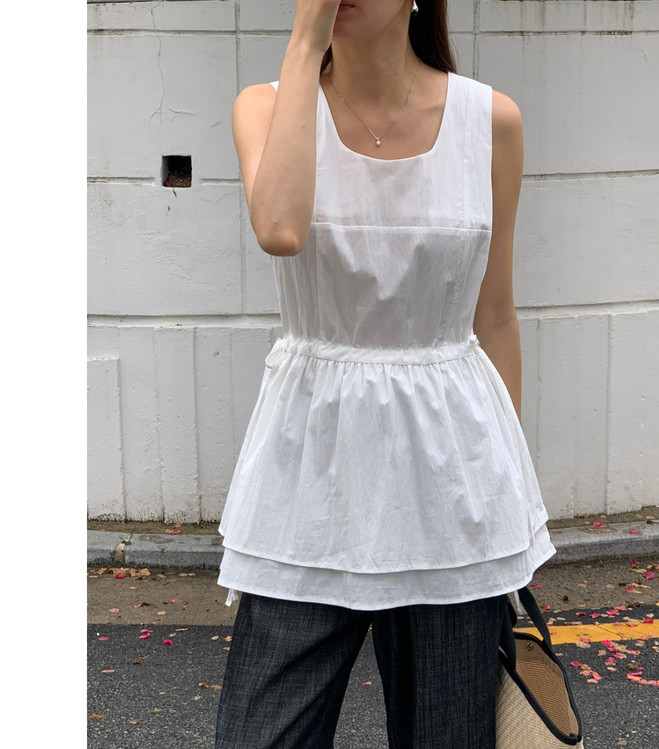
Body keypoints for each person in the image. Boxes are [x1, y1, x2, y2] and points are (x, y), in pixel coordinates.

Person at [214, 1, 557, 747]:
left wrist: (506, 501)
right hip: (309, 480)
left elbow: (494, 315)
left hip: (453, 484)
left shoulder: (489, 122)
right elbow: (280, 228)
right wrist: (305, 41)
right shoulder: (265, 106)